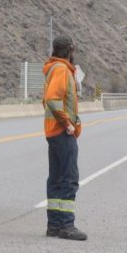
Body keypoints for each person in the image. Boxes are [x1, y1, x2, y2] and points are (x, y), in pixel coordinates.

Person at [42, 35, 87, 241]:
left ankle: (54, 226)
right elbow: (52, 100)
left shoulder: (57, 68)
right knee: (68, 179)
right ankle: (66, 225)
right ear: (69, 51)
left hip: (54, 132)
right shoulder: (60, 70)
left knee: (57, 179)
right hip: (62, 132)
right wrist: (68, 124)